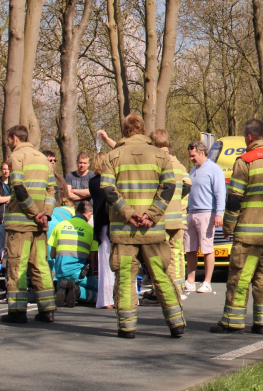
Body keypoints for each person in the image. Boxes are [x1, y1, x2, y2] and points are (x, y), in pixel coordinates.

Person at [100, 113, 184, 339]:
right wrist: (151, 215)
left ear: (125, 130)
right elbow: (169, 186)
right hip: (153, 230)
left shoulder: (112, 156)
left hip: (124, 230)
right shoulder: (160, 155)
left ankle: (127, 327)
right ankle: (176, 323)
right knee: (161, 274)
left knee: (126, 276)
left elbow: (107, 189)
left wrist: (128, 213)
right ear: (143, 129)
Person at [210, 119, 263, 334]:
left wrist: (228, 227)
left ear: (249, 137)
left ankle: (232, 321)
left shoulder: (245, 161)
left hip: (248, 236)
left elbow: (234, 200)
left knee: (240, 277)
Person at [1, 125, 57, 324]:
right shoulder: (43, 158)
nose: (8, 143)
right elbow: (52, 190)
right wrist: (46, 214)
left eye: (8, 140)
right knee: (40, 265)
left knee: (17, 266)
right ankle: (47, 310)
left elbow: (19, 188)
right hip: (40, 225)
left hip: (21, 224)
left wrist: (34, 213)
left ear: (14, 138)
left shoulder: (16, 158)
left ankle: (16, 312)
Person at [149, 130, 191, 299]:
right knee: (177, 254)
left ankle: (165, 290)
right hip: (178, 217)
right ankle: (179, 288)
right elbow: (188, 184)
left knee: (160, 255)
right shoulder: (177, 163)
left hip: (162, 217)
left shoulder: (157, 162)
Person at [185, 140, 225, 294]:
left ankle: (207, 281)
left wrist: (219, 213)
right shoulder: (192, 170)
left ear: (202, 153)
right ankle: (190, 280)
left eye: (193, 155)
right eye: (190, 156)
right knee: (190, 248)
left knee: (207, 248)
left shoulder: (214, 169)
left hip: (207, 212)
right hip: (192, 212)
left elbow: (220, 192)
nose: (191, 158)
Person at [49, 201, 98, 307]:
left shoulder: (60, 226)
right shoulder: (91, 230)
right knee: (101, 293)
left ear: (76, 211)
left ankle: (64, 289)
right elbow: (92, 260)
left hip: (60, 275)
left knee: (64, 283)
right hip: (78, 275)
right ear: (89, 213)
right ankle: (77, 291)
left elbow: (52, 255)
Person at [90, 152, 114, 309]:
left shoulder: (93, 182)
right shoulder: (111, 182)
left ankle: (106, 299)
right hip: (113, 223)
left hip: (101, 224)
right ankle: (116, 296)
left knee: (105, 263)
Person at [0, 162, 11, 261]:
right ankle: (0, 260)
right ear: (1, 170)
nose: (6, 171)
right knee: (0, 243)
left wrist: (5, 198)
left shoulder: (14, 182)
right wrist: (11, 197)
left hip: (13, 217)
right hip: (1, 217)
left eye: (8, 169)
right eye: (4, 169)